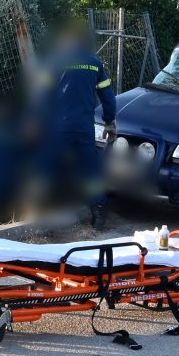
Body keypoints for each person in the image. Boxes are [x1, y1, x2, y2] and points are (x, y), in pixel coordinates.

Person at [43, 22, 119, 229]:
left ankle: (45, 207)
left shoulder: (55, 62)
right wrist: (109, 121)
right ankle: (99, 213)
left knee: (49, 165)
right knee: (90, 170)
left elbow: (41, 96)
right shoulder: (94, 64)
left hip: (58, 126)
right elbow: (109, 99)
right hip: (84, 127)